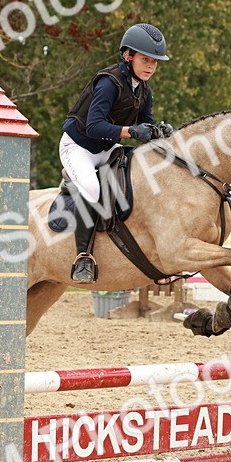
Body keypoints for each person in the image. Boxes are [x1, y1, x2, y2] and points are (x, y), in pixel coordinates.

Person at [60, 23, 173, 283]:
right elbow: (93, 125)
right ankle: (82, 258)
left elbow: (145, 124)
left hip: (108, 147)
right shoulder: (108, 83)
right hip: (79, 147)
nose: (151, 67)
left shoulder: (144, 90)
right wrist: (133, 132)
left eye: (155, 62)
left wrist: (159, 131)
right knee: (91, 186)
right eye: (146, 60)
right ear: (128, 56)